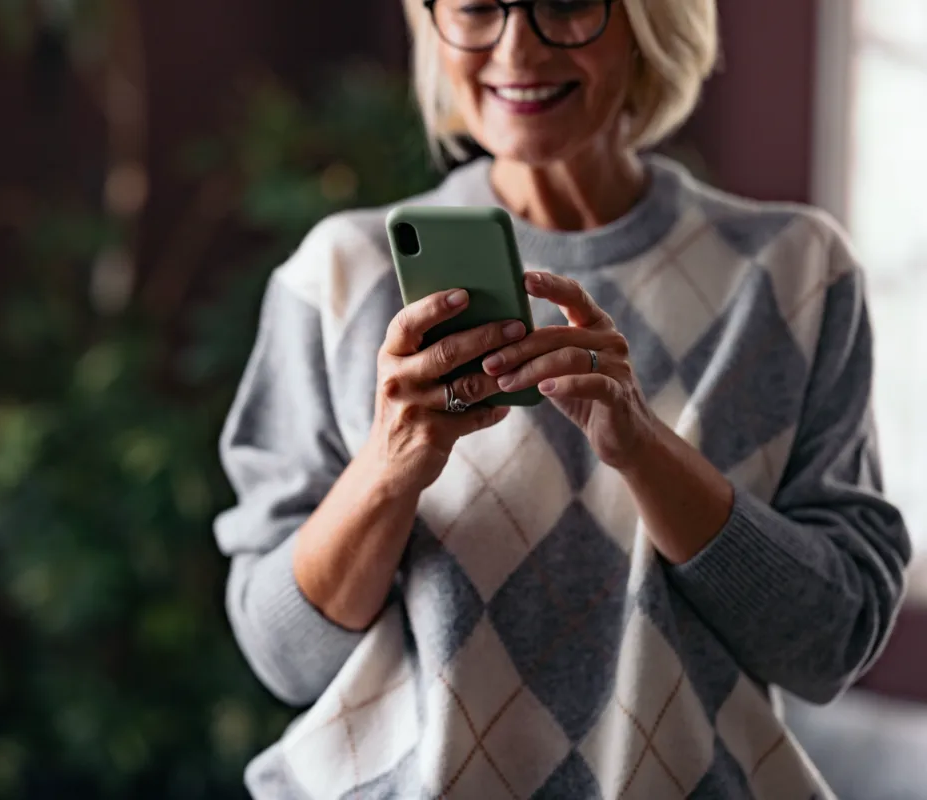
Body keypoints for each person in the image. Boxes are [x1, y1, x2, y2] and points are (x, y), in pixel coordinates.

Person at [213, 0, 913, 796]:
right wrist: (389, 465)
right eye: (477, 7)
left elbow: (832, 644)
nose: (517, 48)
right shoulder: (340, 277)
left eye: (567, 5)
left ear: (653, 21)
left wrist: (644, 452)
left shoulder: (792, 276)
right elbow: (284, 659)